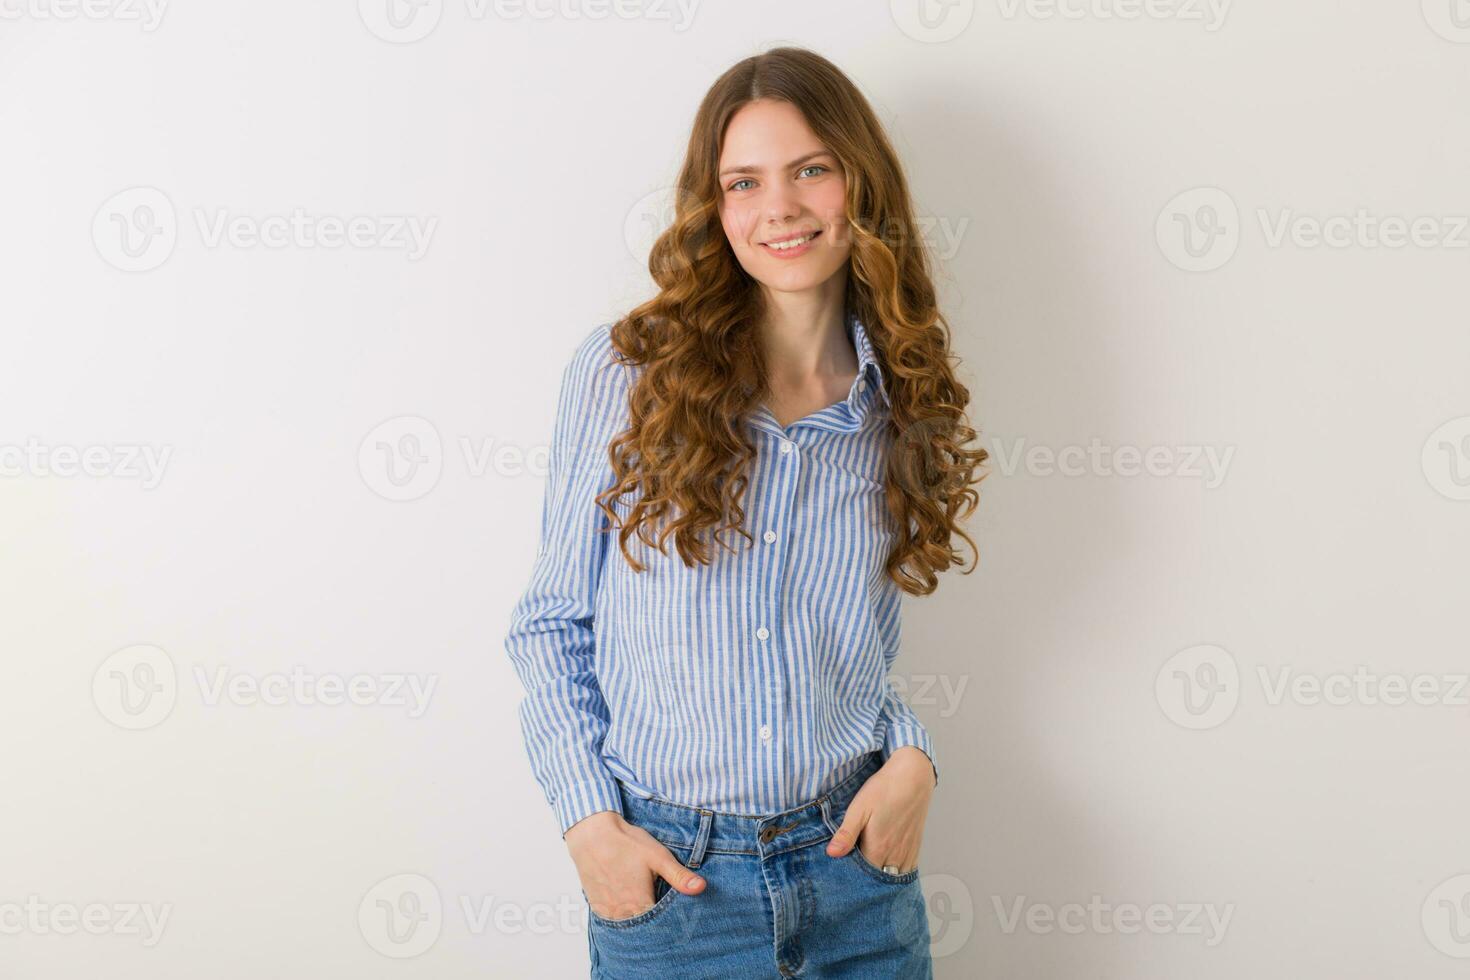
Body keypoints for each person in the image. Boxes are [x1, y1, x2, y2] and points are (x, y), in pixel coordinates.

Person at [504, 45, 988, 979]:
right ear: (714, 208)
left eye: (812, 169)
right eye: (744, 181)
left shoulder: (900, 400)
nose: (780, 208)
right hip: (678, 894)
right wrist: (589, 829)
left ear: (862, 184)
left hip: (859, 880)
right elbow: (551, 624)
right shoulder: (624, 377)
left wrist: (914, 761)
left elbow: (859, 642)